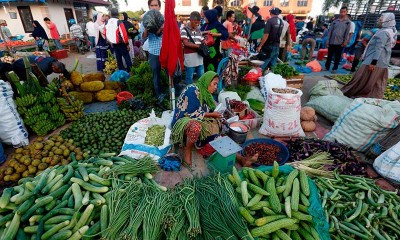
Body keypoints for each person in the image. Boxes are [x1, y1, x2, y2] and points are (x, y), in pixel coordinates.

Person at [171, 71, 258, 167]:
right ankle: (187, 152)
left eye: (217, 84)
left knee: (216, 137)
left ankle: (241, 159)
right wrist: (213, 114)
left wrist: (223, 120)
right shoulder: (193, 90)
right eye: (214, 84)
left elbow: (212, 110)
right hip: (183, 121)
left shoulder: (206, 94)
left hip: (198, 120)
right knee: (196, 127)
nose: (216, 87)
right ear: (207, 82)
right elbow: (193, 113)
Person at [342, 12, 396, 99]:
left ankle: (358, 95)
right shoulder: (391, 31)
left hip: (374, 60)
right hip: (381, 61)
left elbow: (379, 48)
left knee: (361, 79)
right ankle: (372, 97)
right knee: (374, 82)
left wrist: (373, 62)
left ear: (387, 20)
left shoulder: (384, 33)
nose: (379, 20)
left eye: (381, 18)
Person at [142, 0, 164, 98]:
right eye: (152, 5)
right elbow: (143, 36)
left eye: (156, 5)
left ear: (159, 7)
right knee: (156, 75)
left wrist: (162, 28)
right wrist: (147, 27)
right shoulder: (145, 19)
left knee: (170, 72)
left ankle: (170, 92)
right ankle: (158, 95)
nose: (154, 7)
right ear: (149, 7)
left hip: (165, 51)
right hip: (153, 52)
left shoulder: (163, 18)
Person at [325, 6, 351, 73]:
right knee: (329, 56)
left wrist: (345, 42)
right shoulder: (335, 21)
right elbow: (330, 31)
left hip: (340, 43)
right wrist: (328, 40)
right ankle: (326, 67)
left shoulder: (348, 22)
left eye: (344, 12)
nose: (342, 13)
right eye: (341, 12)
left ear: (346, 12)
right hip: (331, 41)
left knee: (337, 57)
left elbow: (347, 33)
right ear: (339, 12)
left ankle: (334, 68)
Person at [181, 11, 204, 85]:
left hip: (199, 58)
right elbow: (185, 43)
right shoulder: (184, 30)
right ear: (190, 20)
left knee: (201, 77)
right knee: (189, 79)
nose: (197, 24)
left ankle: (200, 93)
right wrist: (198, 46)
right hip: (190, 59)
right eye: (195, 22)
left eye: (198, 23)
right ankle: (189, 94)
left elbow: (202, 40)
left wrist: (205, 42)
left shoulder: (199, 31)